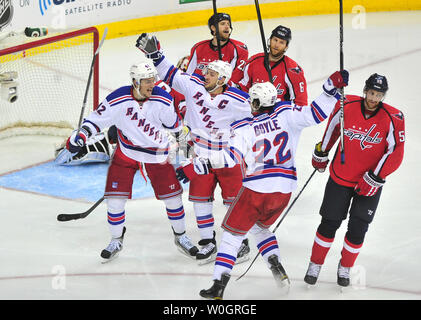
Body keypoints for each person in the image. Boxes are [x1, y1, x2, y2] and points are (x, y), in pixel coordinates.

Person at [176, 70, 349, 299]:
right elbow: (315, 114)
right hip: (284, 190)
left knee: (231, 236)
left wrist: (197, 165)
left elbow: (229, 158)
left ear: (256, 102)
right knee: (259, 227)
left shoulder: (244, 127)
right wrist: (330, 89)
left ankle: (218, 285)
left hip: (257, 188)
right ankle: (275, 264)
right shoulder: (287, 113)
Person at [55, 62, 199, 261]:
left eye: (153, 80)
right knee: (114, 201)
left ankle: (181, 237)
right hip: (126, 154)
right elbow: (95, 121)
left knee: (173, 198)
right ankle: (116, 239)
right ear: (135, 82)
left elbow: (177, 129)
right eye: (147, 81)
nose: (152, 84)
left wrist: (188, 150)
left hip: (157, 155)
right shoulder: (118, 98)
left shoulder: (163, 100)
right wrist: (82, 135)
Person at [136, 33, 253, 265]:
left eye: (210, 74)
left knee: (234, 201)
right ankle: (208, 242)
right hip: (198, 153)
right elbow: (170, 73)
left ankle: (241, 243)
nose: (204, 75)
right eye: (205, 72)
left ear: (222, 79)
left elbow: (259, 117)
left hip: (227, 155)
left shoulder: (238, 99)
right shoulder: (193, 86)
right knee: (200, 200)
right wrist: (155, 55)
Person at [304, 73, 405, 287]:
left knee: (358, 229)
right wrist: (323, 151)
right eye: (371, 92)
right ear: (365, 91)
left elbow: (396, 152)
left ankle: (345, 267)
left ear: (383, 96)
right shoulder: (346, 104)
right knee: (329, 223)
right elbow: (332, 128)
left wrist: (375, 176)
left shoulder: (393, 118)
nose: (373, 98)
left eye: (378, 95)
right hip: (341, 177)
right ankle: (315, 264)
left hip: (369, 185)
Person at [238, 25, 308, 106]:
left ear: (286, 47)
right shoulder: (253, 61)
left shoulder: (293, 70)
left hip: (279, 116)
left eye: (281, 42)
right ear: (270, 40)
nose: (276, 45)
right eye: (275, 40)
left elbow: (300, 103)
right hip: (254, 113)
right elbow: (243, 88)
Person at [186, 12, 248, 85]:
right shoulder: (198, 47)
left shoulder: (238, 49)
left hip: (222, 92)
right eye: (222, 24)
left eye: (228, 24)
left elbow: (233, 79)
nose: (227, 26)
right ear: (213, 28)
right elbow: (188, 76)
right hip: (198, 90)